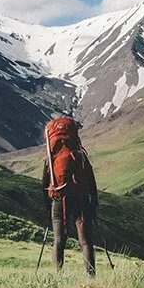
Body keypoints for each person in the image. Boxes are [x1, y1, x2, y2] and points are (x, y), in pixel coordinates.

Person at [41, 115, 98, 277]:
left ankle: (57, 275)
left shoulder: (51, 158)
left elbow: (44, 184)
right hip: (81, 198)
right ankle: (90, 276)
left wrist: (48, 205)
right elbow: (91, 180)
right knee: (86, 241)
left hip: (59, 198)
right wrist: (93, 203)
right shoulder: (80, 155)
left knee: (59, 240)